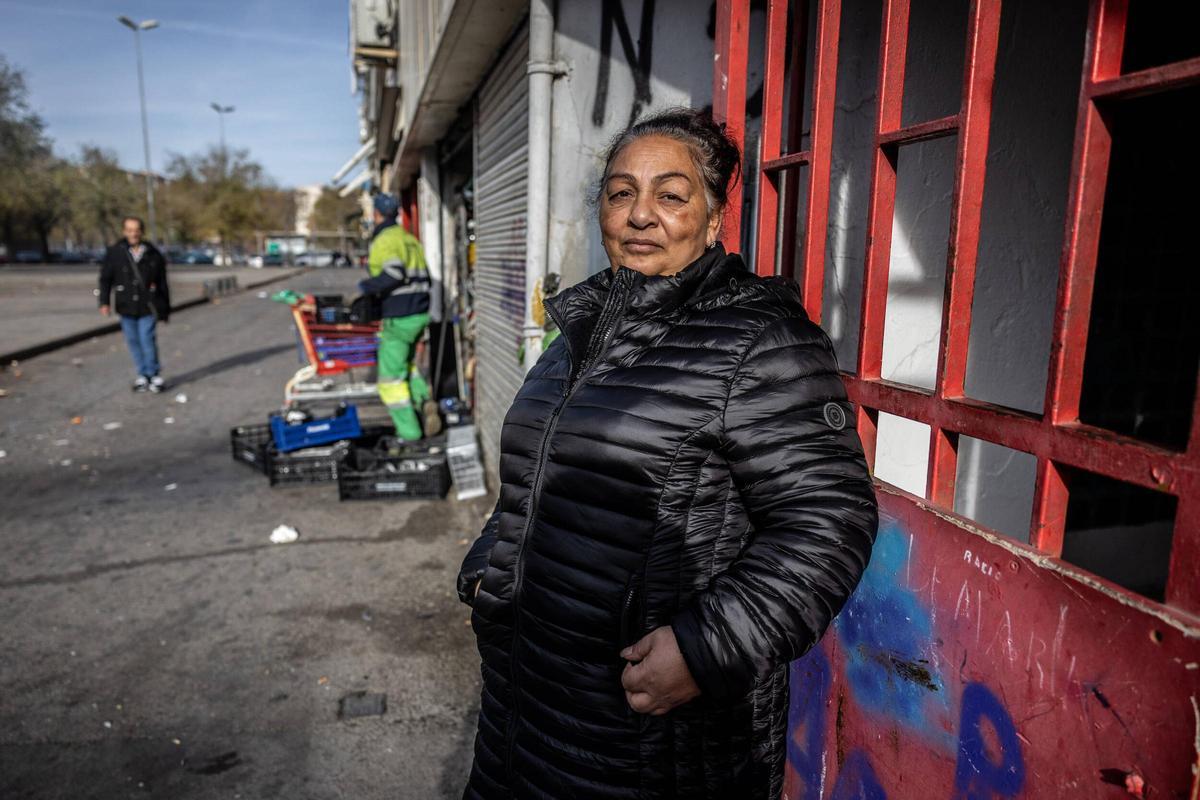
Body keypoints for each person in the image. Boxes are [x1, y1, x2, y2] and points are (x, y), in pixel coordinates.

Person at [456, 108, 879, 799]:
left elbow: (828, 521)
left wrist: (705, 648)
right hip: (524, 709)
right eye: (621, 193)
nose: (640, 214)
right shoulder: (577, 341)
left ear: (712, 221)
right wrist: (488, 572)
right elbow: (529, 484)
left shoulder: (758, 340)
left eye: (670, 195)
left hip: (654, 738)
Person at [358, 193, 438, 441]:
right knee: (409, 367)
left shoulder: (384, 239)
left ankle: (410, 434)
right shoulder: (408, 238)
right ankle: (424, 402)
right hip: (419, 313)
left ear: (377, 214)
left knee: (390, 380)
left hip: (400, 315)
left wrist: (365, 287)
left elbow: (393, 273)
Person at [99, 216, 170, 393]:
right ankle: (143, 374)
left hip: (147, 305)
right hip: (126, 305)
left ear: (142, 231)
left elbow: (162, 283)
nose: (133, 234)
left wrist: (165, 309)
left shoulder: (153, 253)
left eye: (136, 230)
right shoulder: (116, 252)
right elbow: (106, 279)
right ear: (124, 231)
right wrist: (104, 302)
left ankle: (153, 374)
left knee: (147, 339)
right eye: (129, 230)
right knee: (133, 341)